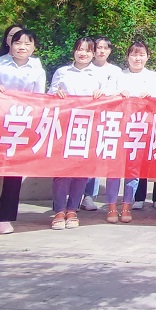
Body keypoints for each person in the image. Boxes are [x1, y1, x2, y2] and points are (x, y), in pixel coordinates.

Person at [0, 28, 46, 236]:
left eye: (27, 43)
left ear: (34, 47)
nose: (22, 47)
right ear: (10, 44)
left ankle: (5, 217)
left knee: (13, 173)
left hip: (21, 124)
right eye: (18, 42)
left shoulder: (37, 70)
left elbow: (38, 99)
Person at [100, 41, 156, 224]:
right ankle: (112, 206)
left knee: (133, 169)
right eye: (134, 54)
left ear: (148, 57)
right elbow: (106, 98)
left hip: (140, 129)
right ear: (128, 56)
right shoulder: (118, 75)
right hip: (118, 128)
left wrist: (151, 98)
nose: (137, 58)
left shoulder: (153, 77)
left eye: (141, 55)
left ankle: (126, 206)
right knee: (114, 169)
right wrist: (117, 95)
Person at [48, 36, 102, 229]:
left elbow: (109, 100)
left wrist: (101, 96)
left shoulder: (98, 75)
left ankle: (72, 210)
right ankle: (59, 211)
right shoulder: (62, 72)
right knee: (62, 171)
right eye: (80, 49)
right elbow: (49, 95)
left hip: (88, 127)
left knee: (81, 171)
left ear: (93, 54)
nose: (83, 53)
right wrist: (56, 94)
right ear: (74, 51)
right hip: (64, 126)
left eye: (87, 50)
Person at [79, 36, 123, 210]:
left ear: (110, 51)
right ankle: (82, 195)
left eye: (105, 47)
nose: (101, 51)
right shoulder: (85, 68)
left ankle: (92, 195)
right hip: (87, 118)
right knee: (86, 156)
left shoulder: (116, 71)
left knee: (100, 156)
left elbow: (120, 92)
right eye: (98, 47)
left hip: (109, 119)